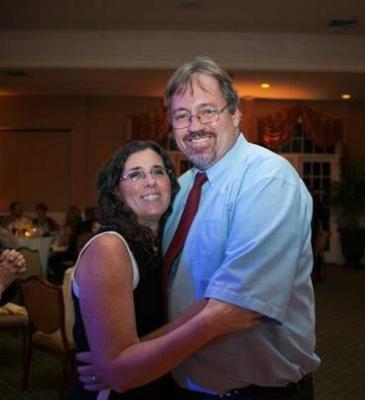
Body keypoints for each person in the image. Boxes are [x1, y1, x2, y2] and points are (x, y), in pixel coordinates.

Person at [159, 56, 320, 399]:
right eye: (182, 115)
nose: (194, 125)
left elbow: (237, 308)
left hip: (253, 392)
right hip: (186, 383)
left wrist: (136, 355)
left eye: (207, 111)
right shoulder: (183, 187)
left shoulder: (268, 180)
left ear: (235, 114)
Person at [67, 140, 259, 399]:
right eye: (135, 174)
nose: (150, 181)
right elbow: (120, 373)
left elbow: (147, 335)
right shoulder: (110, 248)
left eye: (158, 171)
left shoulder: (162, 245)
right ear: (116, 190)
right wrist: (211, 321)